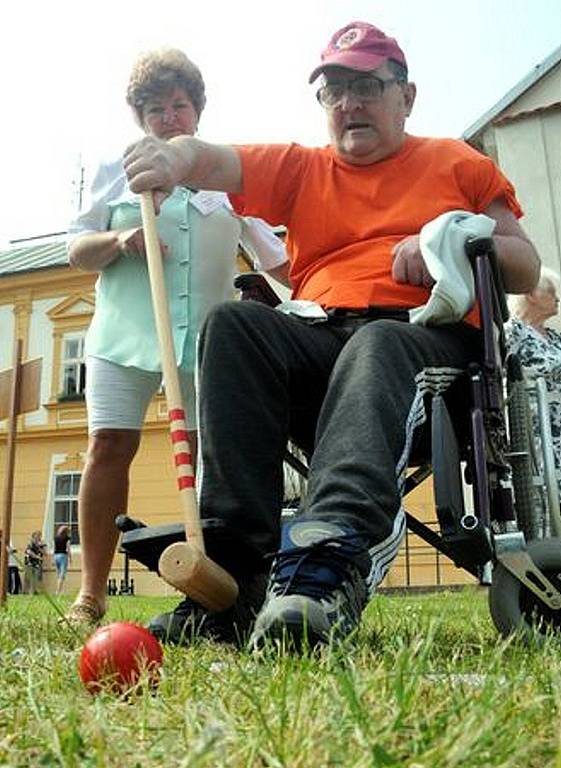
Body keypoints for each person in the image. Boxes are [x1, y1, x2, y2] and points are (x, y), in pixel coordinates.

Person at [124, 21, 540, 649]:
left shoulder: (457, 162)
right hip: (320, 344)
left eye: (367, 85)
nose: (348, 103)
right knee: (234, 324)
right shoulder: (302, 169)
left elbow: (525, 264)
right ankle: (234, 579)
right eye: (334, 90)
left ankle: (324, 568)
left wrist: (448, 241)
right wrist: (173, 157)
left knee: (377, 343)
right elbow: (213, 160)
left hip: (427, 344)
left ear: (407, 95)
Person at [65, 48, 288, 626]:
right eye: (157, 108)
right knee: (108, 447)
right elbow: (77, 249)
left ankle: (220, 582)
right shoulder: (118, 170)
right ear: (141, 117)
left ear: (198, 110)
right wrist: (120, 243)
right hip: (123, 336)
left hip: (207, 345)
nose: (170, 117)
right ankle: (91, 592)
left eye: (180, 106)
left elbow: (279, 260)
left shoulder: (226, 174)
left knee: (217, 458)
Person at [507, 266, 561, 492]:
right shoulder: (513, 332)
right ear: (530, 294)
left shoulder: (555, 337)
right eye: (551, 291)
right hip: (538, 434)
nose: (557, 298)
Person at [53, 524, 72, 595]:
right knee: (62, 574)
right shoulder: (67, 538)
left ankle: (61, 590)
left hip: (56, 556)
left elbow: (54, 548)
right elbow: (68, 548)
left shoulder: (56, 538)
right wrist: (70, 558)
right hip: (63, 556)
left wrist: (53, 558)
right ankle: (58, 591)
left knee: (58, 574)